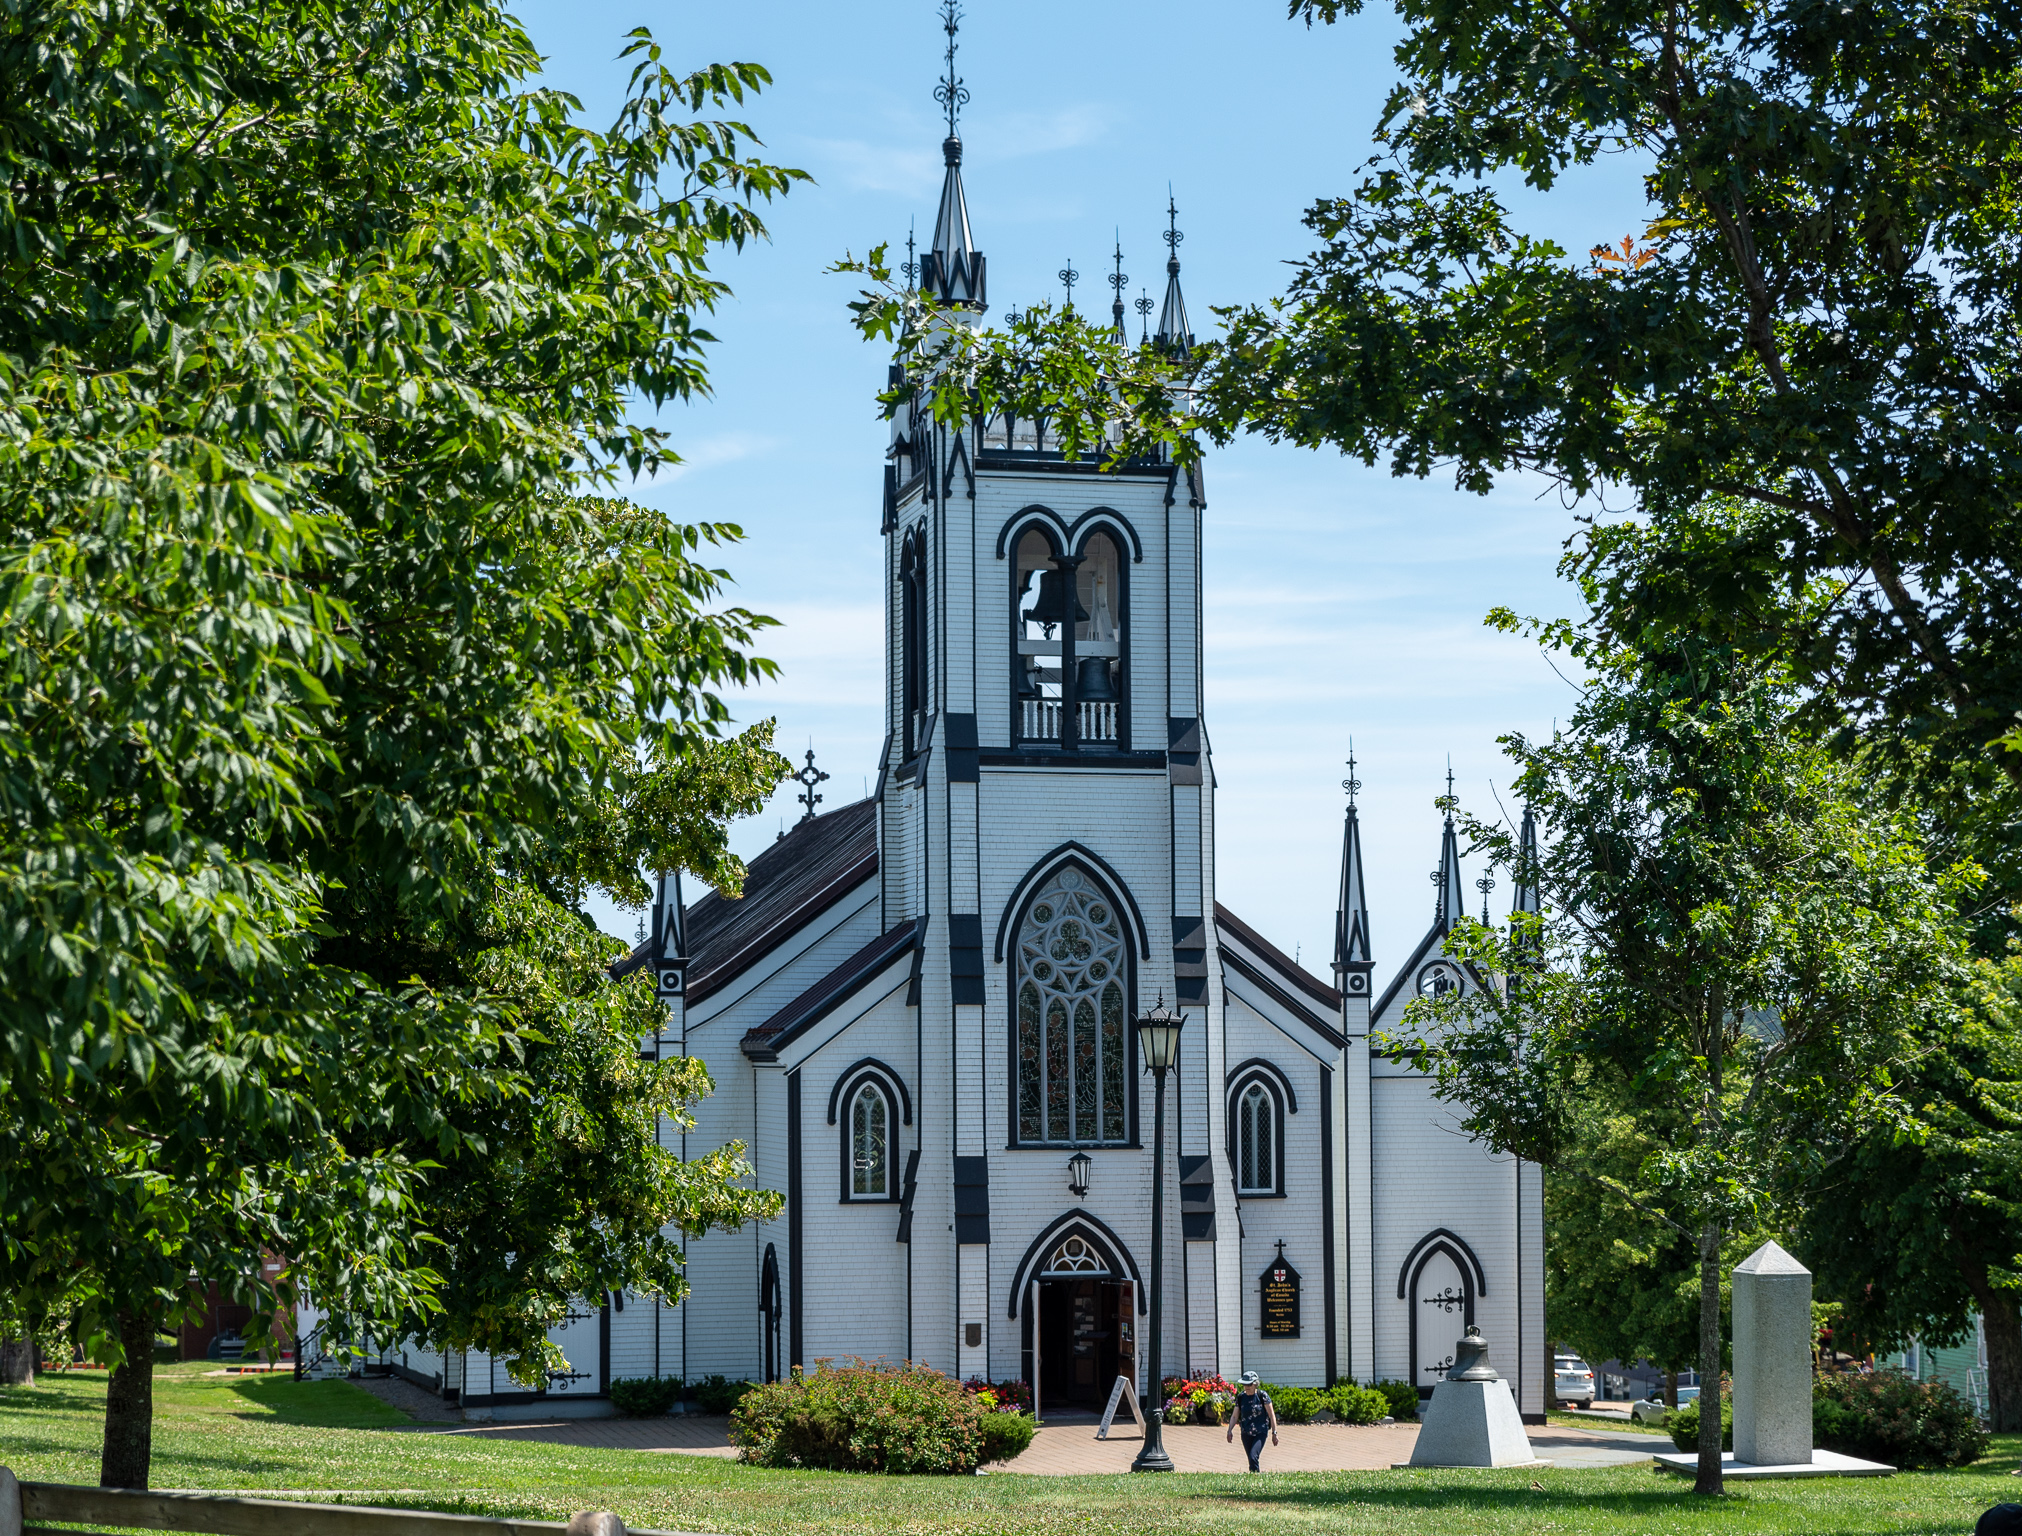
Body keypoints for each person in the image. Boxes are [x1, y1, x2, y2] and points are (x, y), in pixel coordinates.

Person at [1227, 1371, 1280, 1471]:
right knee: (1251, 1460)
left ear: (1255, 1384)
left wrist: (1274, 1432)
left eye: (1249, 1384)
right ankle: (1255, 1480)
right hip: (1246, 1432)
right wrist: (1229, 1430)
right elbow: (1234, 1416)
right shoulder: (1241, 1397)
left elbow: (1271, 1415)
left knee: (1253, 1456)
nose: (1247, 1387)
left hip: (1260, 1432)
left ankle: (1255, 1480)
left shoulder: (1262, 1396)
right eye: (1244, 1384)